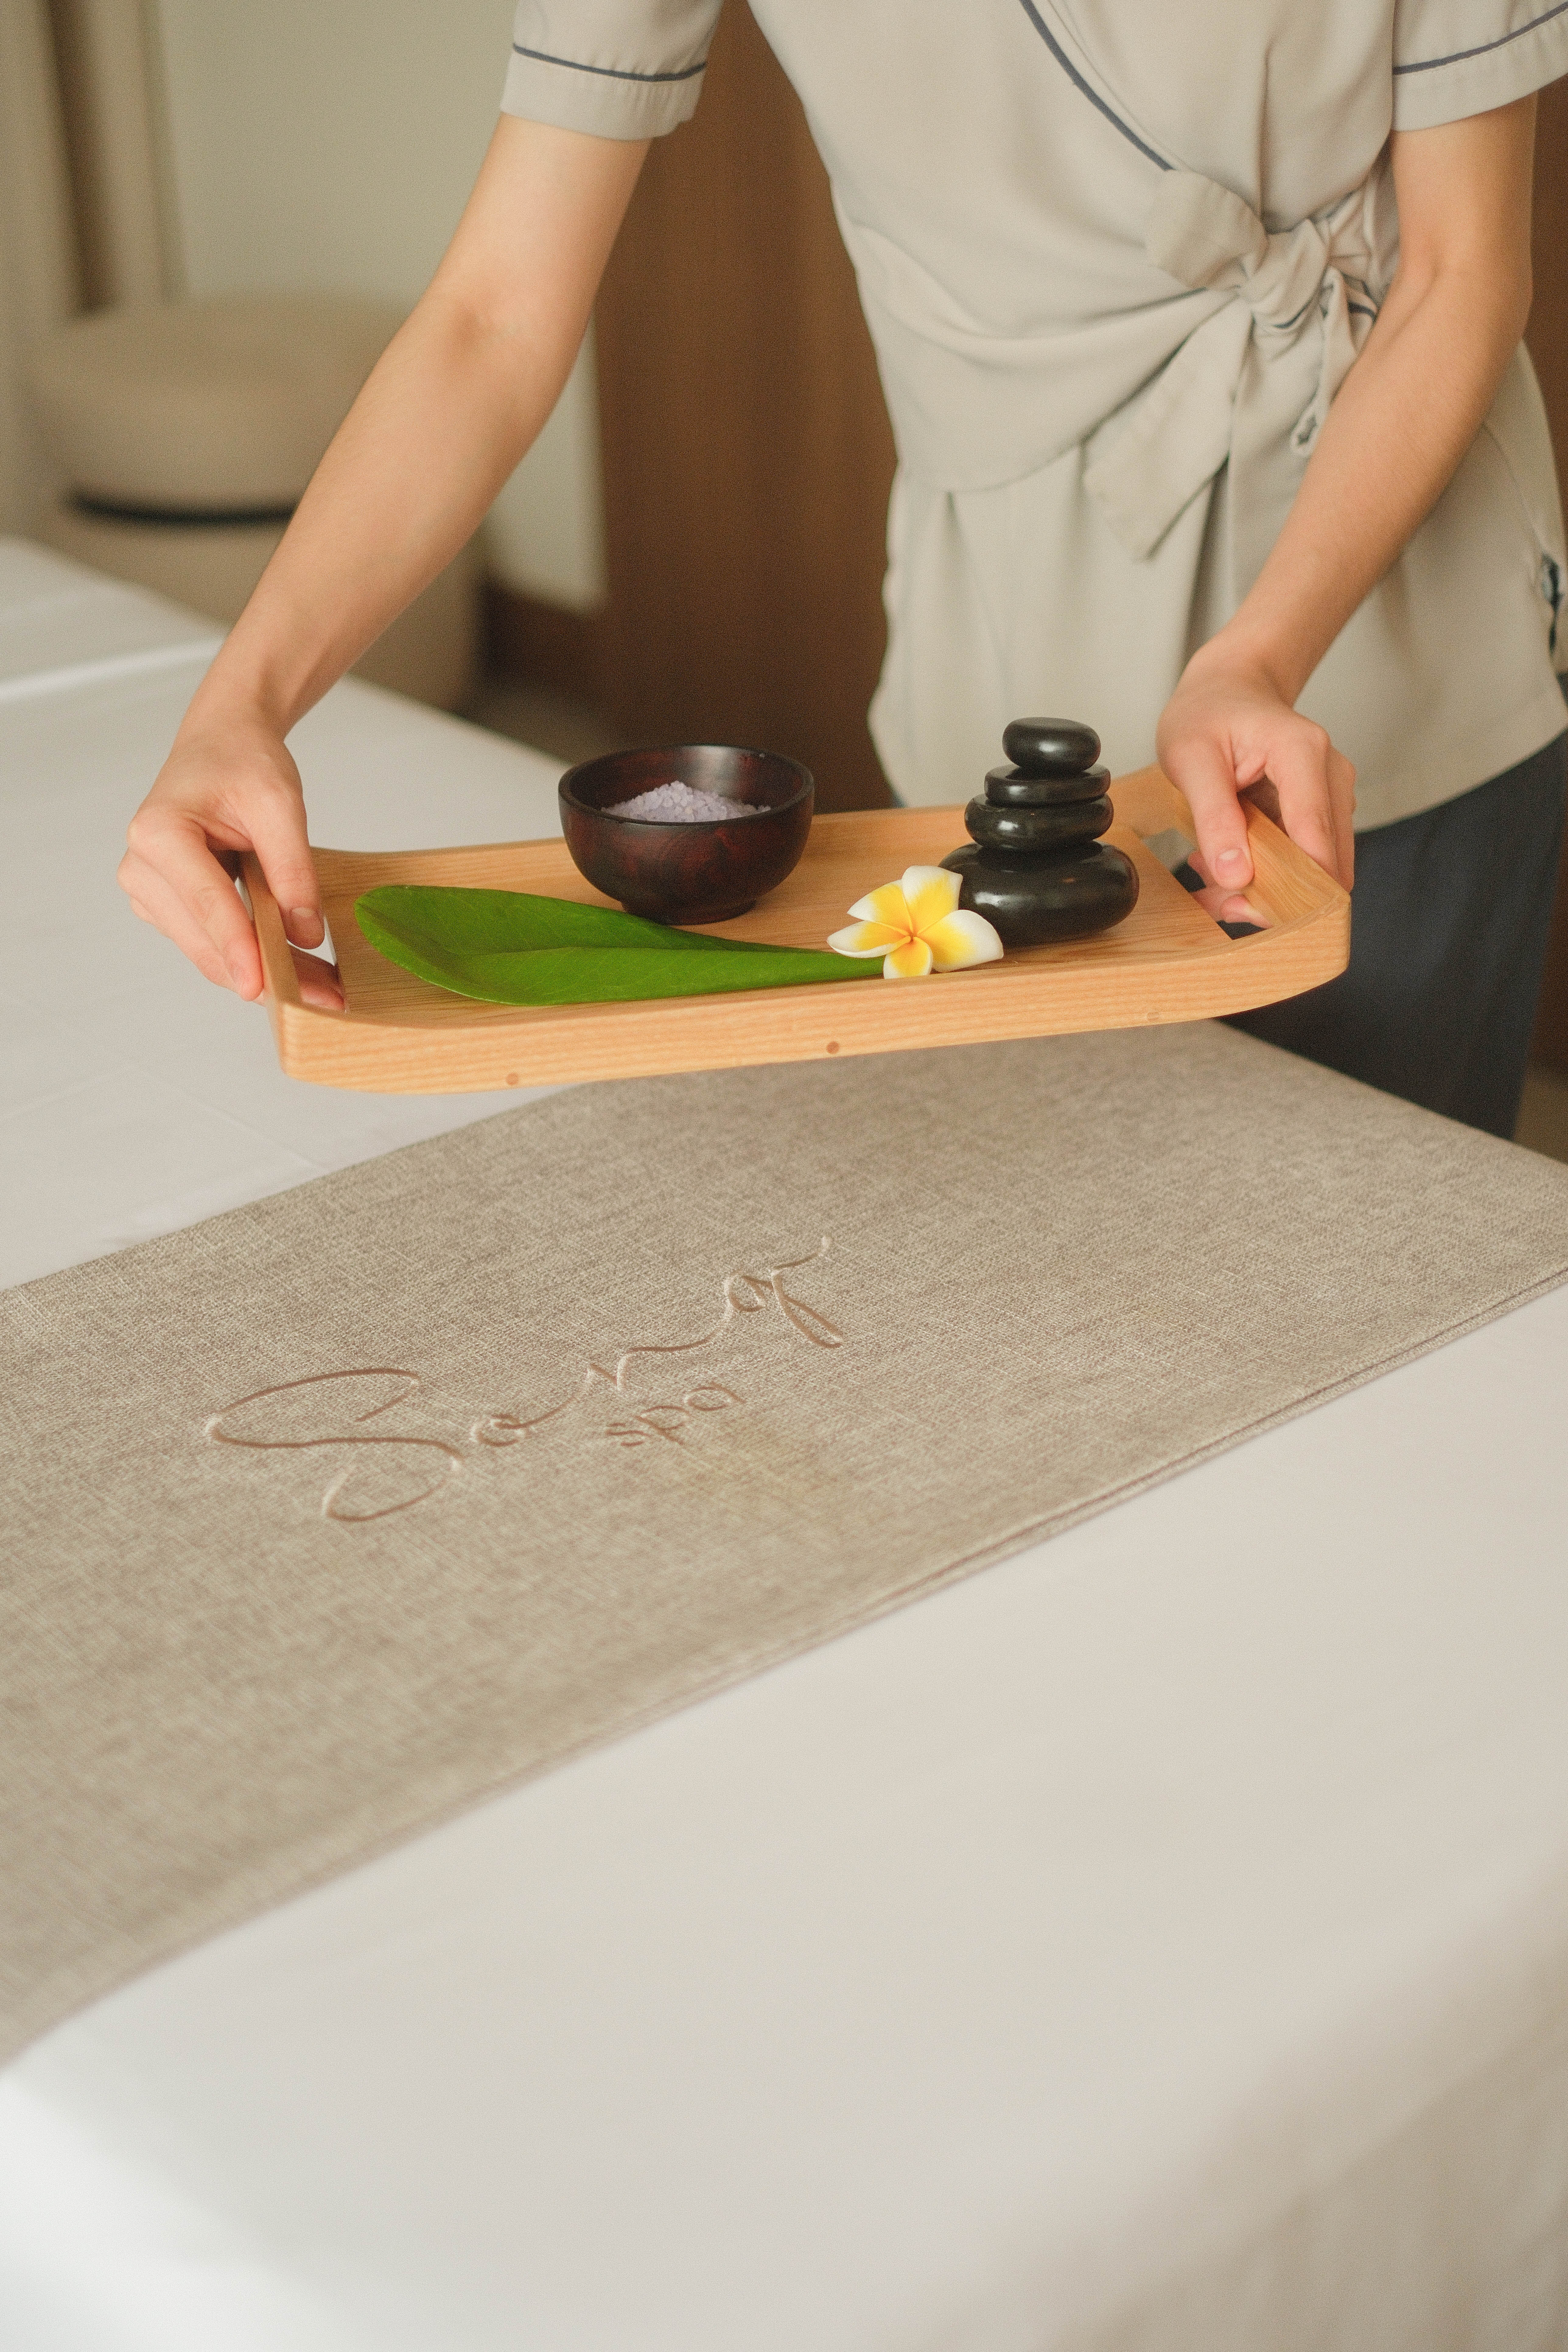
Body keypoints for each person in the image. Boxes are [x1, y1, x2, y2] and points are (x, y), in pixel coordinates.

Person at [119, 2, 1568, 1137]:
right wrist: (240, 704)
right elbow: (495, 317)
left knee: (1380, 1266)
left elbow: (1462, 266)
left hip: (1374, 626)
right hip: (1007, 615)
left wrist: (1260, 653)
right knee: (1057, 1264)